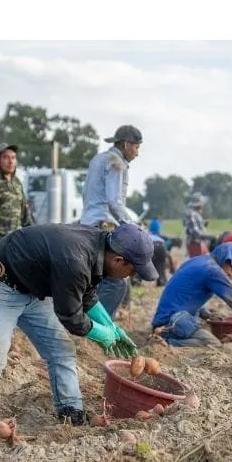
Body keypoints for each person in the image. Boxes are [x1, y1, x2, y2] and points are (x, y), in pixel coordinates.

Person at [0, 223, 158, 431]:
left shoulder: (101, 247)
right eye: (132, 270)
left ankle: (70, 414)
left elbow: (87, 294)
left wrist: (111, 326)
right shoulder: (76, 258)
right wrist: (102, 334)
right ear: (118, 260)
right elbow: (70, 316)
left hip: (35, 291)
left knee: (62, 351)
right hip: (0, 287)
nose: (130, 276)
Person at [151, 242, 232, 347]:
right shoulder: (212, 270)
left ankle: (165, 337)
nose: (231, 275)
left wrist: (205, 313)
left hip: (168, 318)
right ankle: (167, 343)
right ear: (227, 260)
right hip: (171, 322)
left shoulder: (199, 261)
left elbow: (186, 294)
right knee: (212, 343)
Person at [79, 125, 143, 318]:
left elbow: (85, 193)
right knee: (116, 280)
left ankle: (86, 319)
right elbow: (114, 202)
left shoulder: (98, 159)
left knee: (96, 278)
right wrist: (132, 227)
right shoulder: (117, 163)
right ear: (126, 144)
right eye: (136, 147)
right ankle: (97, 324)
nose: (137, 153)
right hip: (104, 225)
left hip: (88, 223)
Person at [147, 218, 177, 287]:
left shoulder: (147, 233)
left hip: (150, 244)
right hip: (161, 245)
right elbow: (167, 250)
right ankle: (162, 281)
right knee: (160, 267)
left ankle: (136, 282)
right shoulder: (162, 236)